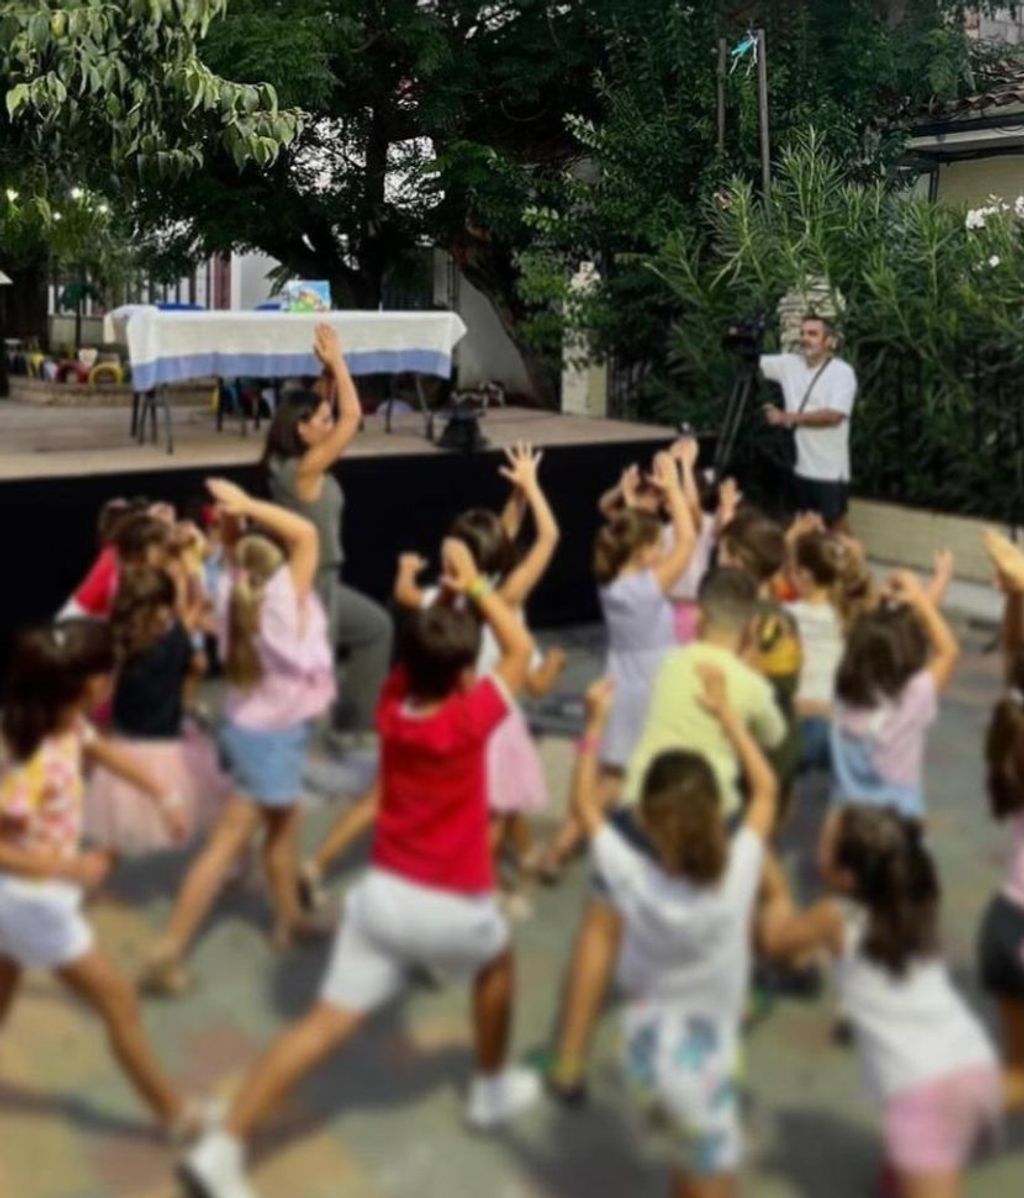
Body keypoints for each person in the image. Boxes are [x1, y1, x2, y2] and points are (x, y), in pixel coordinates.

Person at [182, 539, 540, 1198]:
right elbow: (517, 653)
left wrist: (449, 600)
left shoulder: (392, 711)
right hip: (456, 904)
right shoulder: (467, 721)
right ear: (466, 677)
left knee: (317, 1028)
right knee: (498, 965)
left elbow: (420, 652)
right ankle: (489, 1088)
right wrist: (477, 590)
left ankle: (224, 1144)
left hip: (382, 902)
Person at [541, 568, 786, 1104]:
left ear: (698, 616)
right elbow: (774, 736)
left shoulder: (673, 661)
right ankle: (730, 1009)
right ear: (749, 630)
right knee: (738, 904)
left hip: (643, 806)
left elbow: (587, 803)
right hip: (712, 814)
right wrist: (748, 680)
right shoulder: (748, 685)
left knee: (599, 931)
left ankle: (568, 1060)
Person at [569, 664, 777, 1198]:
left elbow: (585, 809)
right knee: (713, 1178)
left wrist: (595, 724)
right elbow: (766, 792)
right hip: (702, 1060)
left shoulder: (635, 877)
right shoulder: (736, 873)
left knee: (684, 1169)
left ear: (647, 822)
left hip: (644, 1050)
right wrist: (727, 714)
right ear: (714, 812)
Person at [0, 620, 200, 1140]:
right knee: (119, 1002)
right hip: (30, 901)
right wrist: (69, 867)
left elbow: (99, 749)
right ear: (92, 686)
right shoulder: (32, 761)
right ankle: (178, 1116)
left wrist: (162, 792)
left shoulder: (64, 722)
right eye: (110, 674)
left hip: (29, 899)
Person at [139, 479, 336, 994]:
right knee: (230, 843)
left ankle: (289, 919)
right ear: (275, 573)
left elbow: (233, 553)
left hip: (249, 726)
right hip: (270, 738)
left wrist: (230, 525)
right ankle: (168, 949)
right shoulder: (278, 602)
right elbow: (307, 535)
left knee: (284, 826)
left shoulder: (229, 591)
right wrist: (247, 507)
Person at [760, 804, 1001, 1198]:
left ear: (846, 876)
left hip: (926, 1091)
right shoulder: (910, 902)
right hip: (963, 1059)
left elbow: (777, 941)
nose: (816, 844)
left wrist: (761, 856)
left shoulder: (835, 915)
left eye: (824, 842)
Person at [537, 451, 694, 880]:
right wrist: (676, 487)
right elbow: (686, 541)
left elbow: (622, 529)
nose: (661, 550)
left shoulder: (614, 582)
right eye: (654, 546)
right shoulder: (645, 588)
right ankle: (672, 863)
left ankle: (559, 849)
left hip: (621, 682)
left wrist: (631, 499)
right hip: (654, 688)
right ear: (644, 553)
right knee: (667, 776)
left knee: (614, 778)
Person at [263, 323, 392, 736]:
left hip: (326, 580)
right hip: (311, 586)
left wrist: (328, 374)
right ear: (302, 429)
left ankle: (354, 723)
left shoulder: (296, 461)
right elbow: (352, 417)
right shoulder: (300, 471)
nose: (329, 419)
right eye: (322, 418)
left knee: (376, 628)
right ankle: (295, 752)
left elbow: (325, 408)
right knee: (309, 676)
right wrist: (339, 361)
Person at [84, 565, 232, 856]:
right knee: (213, 806)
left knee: (117, 833)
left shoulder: (116, 644)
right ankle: (228, 869)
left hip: (125, 745)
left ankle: (95, 887)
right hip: (168, 748)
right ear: (161, 607)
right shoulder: (175, 640)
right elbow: (193, 650)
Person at [978, 528, 1024, 1111]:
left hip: (1007, 925)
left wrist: (1017, 593)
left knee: (1017, 1074)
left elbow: (1016, 662)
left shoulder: (1011, 722)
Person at [784, 521, 874, 772]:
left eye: (792, 570)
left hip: (798, 717)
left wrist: (790, 539)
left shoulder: (787, 615)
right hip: (838, 723)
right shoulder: (849, 616)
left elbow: (761, 582)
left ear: (804, 576)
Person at [761, 314, 858, 528]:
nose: (805, 338)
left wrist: (786, 417)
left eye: (813, 334)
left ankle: (848, 560)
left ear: (828, 341)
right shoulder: (789, 364)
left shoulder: (842, 373)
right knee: (802, 530)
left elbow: (834, 416)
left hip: (829, 471)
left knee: (833, 529)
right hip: (799, 468)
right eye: (803, 333)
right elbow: (753, 364)